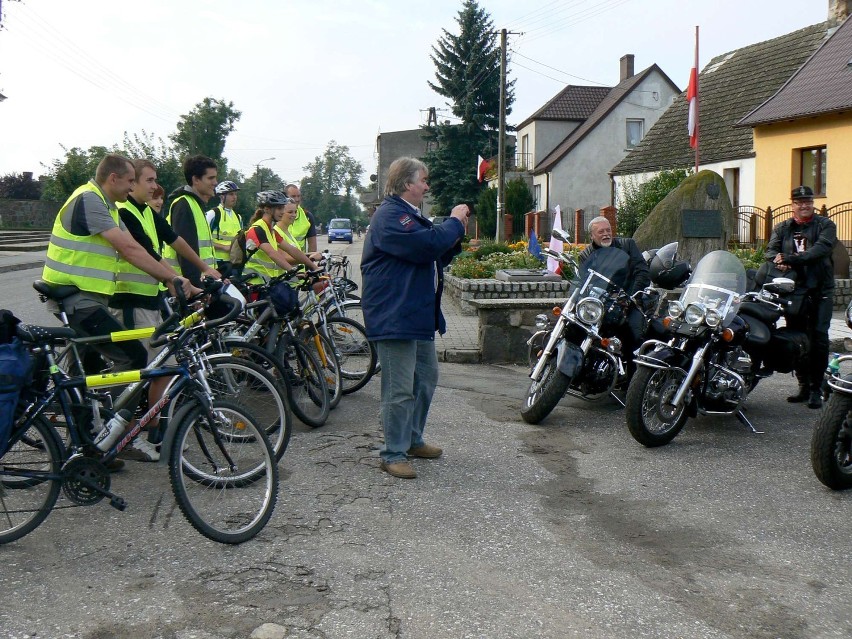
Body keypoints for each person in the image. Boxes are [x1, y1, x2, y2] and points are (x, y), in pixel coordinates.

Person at [41, 154, 196, 459]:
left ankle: (89, 441)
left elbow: (135, 248)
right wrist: (173, 279)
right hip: (77, 300)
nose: (130, 188)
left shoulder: (105, 203)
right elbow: (127, 249)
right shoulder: (90, 200)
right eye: (129, 181)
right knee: (133, 356)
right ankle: (118, 433)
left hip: (87, 298)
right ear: (113, 178)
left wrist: (171, 277)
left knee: (88, 371)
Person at [360, 157, 469, 479]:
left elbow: (433, 251)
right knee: (398, 389)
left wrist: (454, 234)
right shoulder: (391, 216)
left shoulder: (409, 215)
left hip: (414, 314)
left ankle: (411, 439)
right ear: (407, 183)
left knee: (425, 378)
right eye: (423, 179)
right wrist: (454, 222)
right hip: (395, 316)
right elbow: (425, 246)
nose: (427, 185)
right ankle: (392, 453)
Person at [110, 159, 216, 457]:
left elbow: (175, 240)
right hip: (130, 299)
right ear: (132, 183)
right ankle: (126, 435)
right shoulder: (125, 212)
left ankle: (154, 425)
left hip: (150, 298)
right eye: (149, 180)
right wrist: (181, 282)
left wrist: (206, 269)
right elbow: (144, 253)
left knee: (162, 365)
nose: (155, 186)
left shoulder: (145, 211)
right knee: (138, 370)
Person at [765, 185, 836, 409]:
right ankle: (803, 386)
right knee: (797, 339)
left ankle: (817, 388)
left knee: (818, 339)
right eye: (799, 202)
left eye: (808, 201)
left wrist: (791, 259)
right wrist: (778, 260)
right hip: (794, 291)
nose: (804, 205)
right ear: (792, 205)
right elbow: (770, 251)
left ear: (813, 203)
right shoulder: (783, 227)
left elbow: (821, 250)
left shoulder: (826, 225)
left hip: (820, 291)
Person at [579, 216, 650, 376]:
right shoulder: (586, 255)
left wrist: (631, 296)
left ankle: (634, 383)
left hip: (629, 302)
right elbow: (584, 281)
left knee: (634, 334)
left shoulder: (628, 245)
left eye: (608, 230)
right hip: (599, 302)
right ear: (592, 236)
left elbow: (642, 272)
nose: (606, 234)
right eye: (601, 232)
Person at [163, 155, 219, 285]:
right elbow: (185, 253)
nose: (215, 182)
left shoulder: (195, 204)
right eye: (210, 178)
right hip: (186, 287)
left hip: (200, 283)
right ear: (196, 180)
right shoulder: (184, 204)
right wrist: (195, 290)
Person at [243, 191, 319, 284]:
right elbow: (272, 254)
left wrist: (314, 267)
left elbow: (291, 249)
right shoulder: (257, 229)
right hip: (255, 283)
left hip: (269, 283)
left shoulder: (271, 230)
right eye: (279, 208)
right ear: (267, 209)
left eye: (283, 208)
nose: (283, 212)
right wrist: (293, 271)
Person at [206, 180, 243, 275]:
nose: (234, 197)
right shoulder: (213, 214)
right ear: (222, 196)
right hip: (217, 263)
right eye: (231, 194)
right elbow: (202, 241)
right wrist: (223, 247)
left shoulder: (238, 217)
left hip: (234, 263)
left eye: (235, 194)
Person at [283, 183, 319, 253]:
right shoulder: (278, 215)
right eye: (293, 196)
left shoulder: (307, 216)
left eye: (299, 196)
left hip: (300, 260)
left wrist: (310, 261)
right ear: (285, 197)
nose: (297, 199)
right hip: (281, 260)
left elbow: (312, 244)